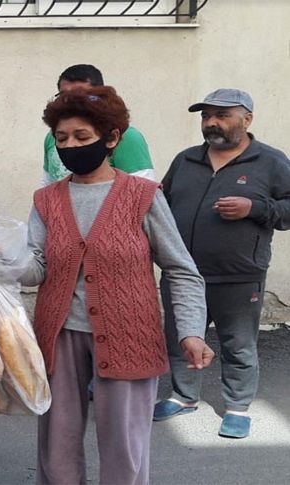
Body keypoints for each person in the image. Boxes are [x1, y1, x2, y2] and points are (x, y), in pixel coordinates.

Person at [19, 86, 213, 484]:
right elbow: (35, 268)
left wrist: (191, 332)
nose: (70, 146)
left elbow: (181, 269)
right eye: (61, 138)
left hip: (129, 333)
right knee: (56, 446)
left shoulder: (142, 196)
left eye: (81, 137)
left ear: (111, 139)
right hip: (59, 336)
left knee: (124, 448)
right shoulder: (47, 200)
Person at [153, 89, 290, 439]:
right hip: (182, 274)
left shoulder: (271, 162)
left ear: (247, 119)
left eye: (222, 115)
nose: (211, 122)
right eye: (206, 115)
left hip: (239, 275)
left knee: (238, 344)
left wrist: (255, 209)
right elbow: (162, 206)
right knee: (181, 338)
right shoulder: (186, 160)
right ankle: (184, 397)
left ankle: (237, 407)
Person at [41, 64, 155, 186]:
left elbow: (142, 189)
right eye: (64, 96)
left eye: (82, 137)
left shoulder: (128, 136)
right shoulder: (52, 137)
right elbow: (47, 182)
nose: (72, 101)